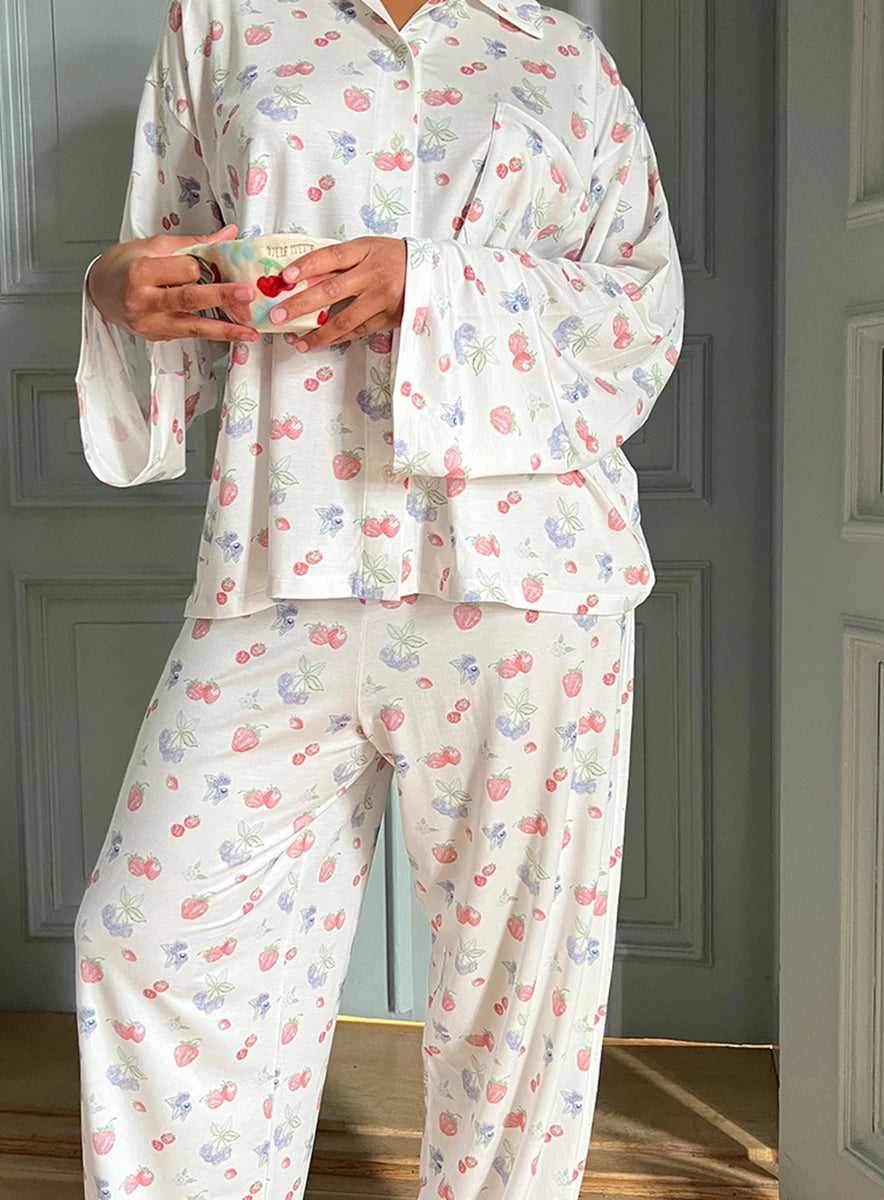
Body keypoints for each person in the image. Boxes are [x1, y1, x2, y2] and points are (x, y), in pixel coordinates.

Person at [73, 0, 684, 1197]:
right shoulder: (225, 24)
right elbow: (165, 259)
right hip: (283, 552)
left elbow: (640, 316)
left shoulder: (561, 56)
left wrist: (429, 285)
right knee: (149, 941)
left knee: (520, 1002)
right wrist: (112, 283)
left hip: (530, 571)